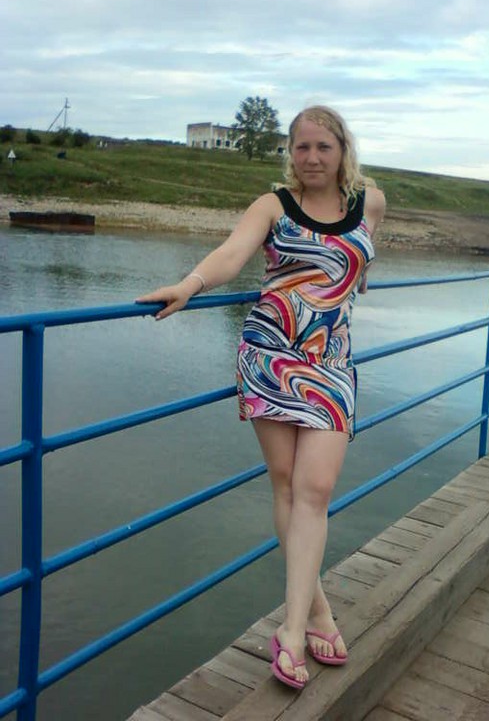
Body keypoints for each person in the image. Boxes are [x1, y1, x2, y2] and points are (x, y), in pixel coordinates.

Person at [137, 105, 386, 689]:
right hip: (271, 356)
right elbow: (232, 255)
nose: (312, 158)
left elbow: (362, 259)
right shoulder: (272, 205)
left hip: (331, 363)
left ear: (343, 149)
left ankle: (298, 624)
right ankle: (306, 623)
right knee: (289, 488)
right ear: (290, 152)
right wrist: (190, 285)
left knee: (315, 489)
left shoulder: (371, 202)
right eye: (302, 147)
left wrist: (350, 278)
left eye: (324, 147)